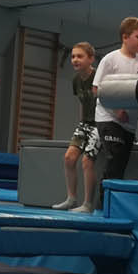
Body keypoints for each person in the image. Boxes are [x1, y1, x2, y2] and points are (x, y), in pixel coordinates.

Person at [92, 17, 138, 206]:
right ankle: (102, 205)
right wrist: (116, 109)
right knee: (114, 159)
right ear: (125, 37)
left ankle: (112, 204)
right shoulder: (110, 60)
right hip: (108, 118)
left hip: (129, 123)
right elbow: (96, 89)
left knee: (121, 165)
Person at [52, 42, 100, 212]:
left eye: (80, 56)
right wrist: (81, 124)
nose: (75, 60)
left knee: (87, 161)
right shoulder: (76, 80)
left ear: (91, 59)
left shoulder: (98, 77)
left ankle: (87, 204)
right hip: (86, 123)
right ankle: (71, 199)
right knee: (69, 158)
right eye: (73, 56)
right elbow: (82, 103)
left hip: (100, 123)